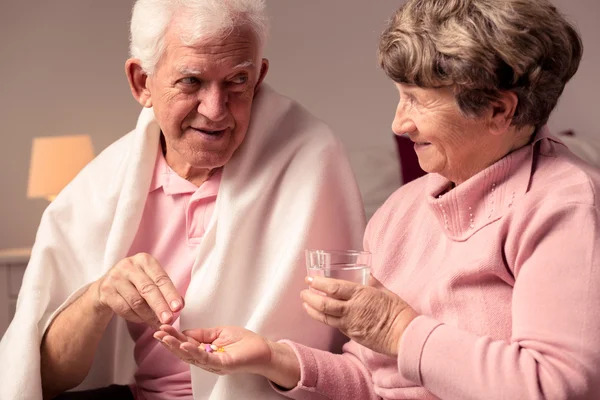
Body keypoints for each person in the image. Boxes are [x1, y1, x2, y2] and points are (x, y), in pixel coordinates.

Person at [154, 0, 600, 399]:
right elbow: (374, 380)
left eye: (416, 100)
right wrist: (274, 358)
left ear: (498, 110)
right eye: (398, 96)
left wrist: (398, 329)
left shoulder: (564, 205)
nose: (398, 123)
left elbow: (556, 386)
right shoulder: (401, 211)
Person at [0, 0, 367, 399]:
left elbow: (358, 355)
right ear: (142, 82)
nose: (215, 110)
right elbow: (38, 378)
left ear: (259, 77)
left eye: (237, 81)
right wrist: (99, 295)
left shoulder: (312, 156)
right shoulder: (103, 185)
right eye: (192, 81)